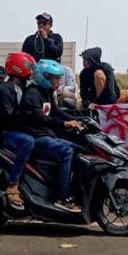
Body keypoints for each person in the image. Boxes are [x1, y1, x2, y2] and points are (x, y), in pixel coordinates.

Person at [19, 59, 83, 212]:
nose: (58, 81)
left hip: (47, 135)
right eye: (54, 78)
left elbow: (56, 112)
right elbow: (40, 118)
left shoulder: (47, 92)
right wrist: (65, 124)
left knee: (80, 149)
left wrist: (76, 119)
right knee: (67, 151)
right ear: (44, 77)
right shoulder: (32, 93)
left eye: (58, 78)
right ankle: (62, 197)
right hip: (36, 137)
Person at [0, 53, 36, 210]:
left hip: (14, 129)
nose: (31, 70)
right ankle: (13, 184)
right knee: (27, 142)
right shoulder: (5, 90)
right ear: (18, 67)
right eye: (29, 66)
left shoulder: (22, 88)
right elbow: (10, 118)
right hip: (3, 132)